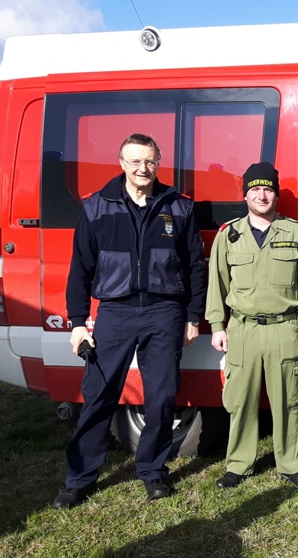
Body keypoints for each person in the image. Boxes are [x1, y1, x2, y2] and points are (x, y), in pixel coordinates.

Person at [53, 133, 207, 508]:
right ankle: (79, 479)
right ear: (121, 163)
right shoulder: (97, 206)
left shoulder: (179, 206)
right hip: (116, 312)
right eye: (135, 161)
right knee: (98, 396)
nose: (143, 168)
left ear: (158, 163)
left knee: (162, 399)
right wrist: (77, 322)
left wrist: (193, 316)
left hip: (164, 312)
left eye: (150, 161)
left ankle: (153, 473)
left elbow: (194, 267)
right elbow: (80, 269)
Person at [206, 161, 298, 491]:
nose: (262, 195)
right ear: (245, 195)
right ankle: (238, 465)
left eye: (267, 189)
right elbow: (217, 283)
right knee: (240, 401)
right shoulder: (228, 235)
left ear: (276, 195)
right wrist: (216, 325)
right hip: (242, 329)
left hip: (285, 329)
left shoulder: (295, 233)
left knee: (287, 401)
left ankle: (291, 465)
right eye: (255, 189)